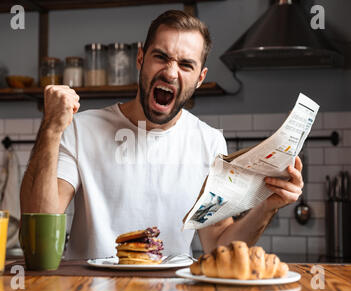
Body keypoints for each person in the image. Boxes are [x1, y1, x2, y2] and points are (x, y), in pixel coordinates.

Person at [20, 10, 304, 259]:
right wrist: (50, 129)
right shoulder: (81, 129)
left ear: (200, 78)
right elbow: (38, 227)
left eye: (185, 64)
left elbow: (218, 246)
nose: (170, 72)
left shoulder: (209, 142)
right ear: (141, 58)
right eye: (161, 57)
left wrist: (267, 207)